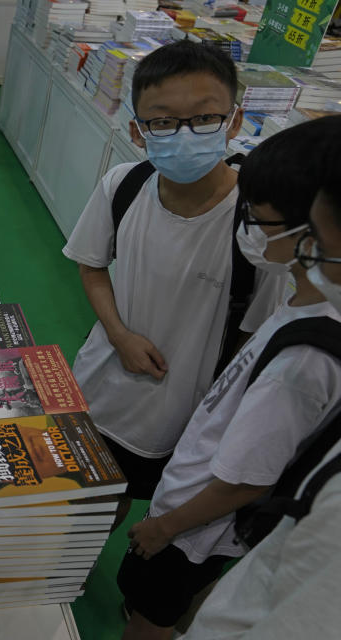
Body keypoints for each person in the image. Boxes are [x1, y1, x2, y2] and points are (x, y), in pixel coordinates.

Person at [118, 115, 341, 640]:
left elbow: (248, 477)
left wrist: (165, 527)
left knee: (153, 615)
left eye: (259, 220)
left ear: (309, 232)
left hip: (192, 531)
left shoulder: (305, 358)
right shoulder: (300, 307)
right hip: (192, 513)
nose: (247, 231)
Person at [62, 40, 284, 528]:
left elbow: (253, 334)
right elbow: (92, 266)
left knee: (138, 494)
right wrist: (119, 335)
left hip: (180, 409)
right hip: (100, 381)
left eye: (204, 118)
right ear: (138, 132)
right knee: (88, 493)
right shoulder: (123, 185)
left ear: (235, 120)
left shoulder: (256, 226)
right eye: (162, 121)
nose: (184, 135)